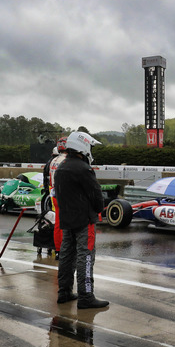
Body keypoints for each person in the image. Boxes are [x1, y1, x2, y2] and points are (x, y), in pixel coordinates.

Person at [54, 131, 109, 309]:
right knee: (85, 256)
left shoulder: (61, 167)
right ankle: (86, 296)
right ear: (83, 146)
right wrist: (98, 209)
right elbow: (97, 198)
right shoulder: (84, 169)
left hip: (66, 219)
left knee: (66, 256)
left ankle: (64, 292)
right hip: (84, 220)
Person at [43, 136, 69, 257]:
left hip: (55, 194)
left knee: (58, 223)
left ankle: (58, 249)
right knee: (67, 224)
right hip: (65, 195)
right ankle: (66, 249)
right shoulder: (68, 160)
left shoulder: (53, 160)